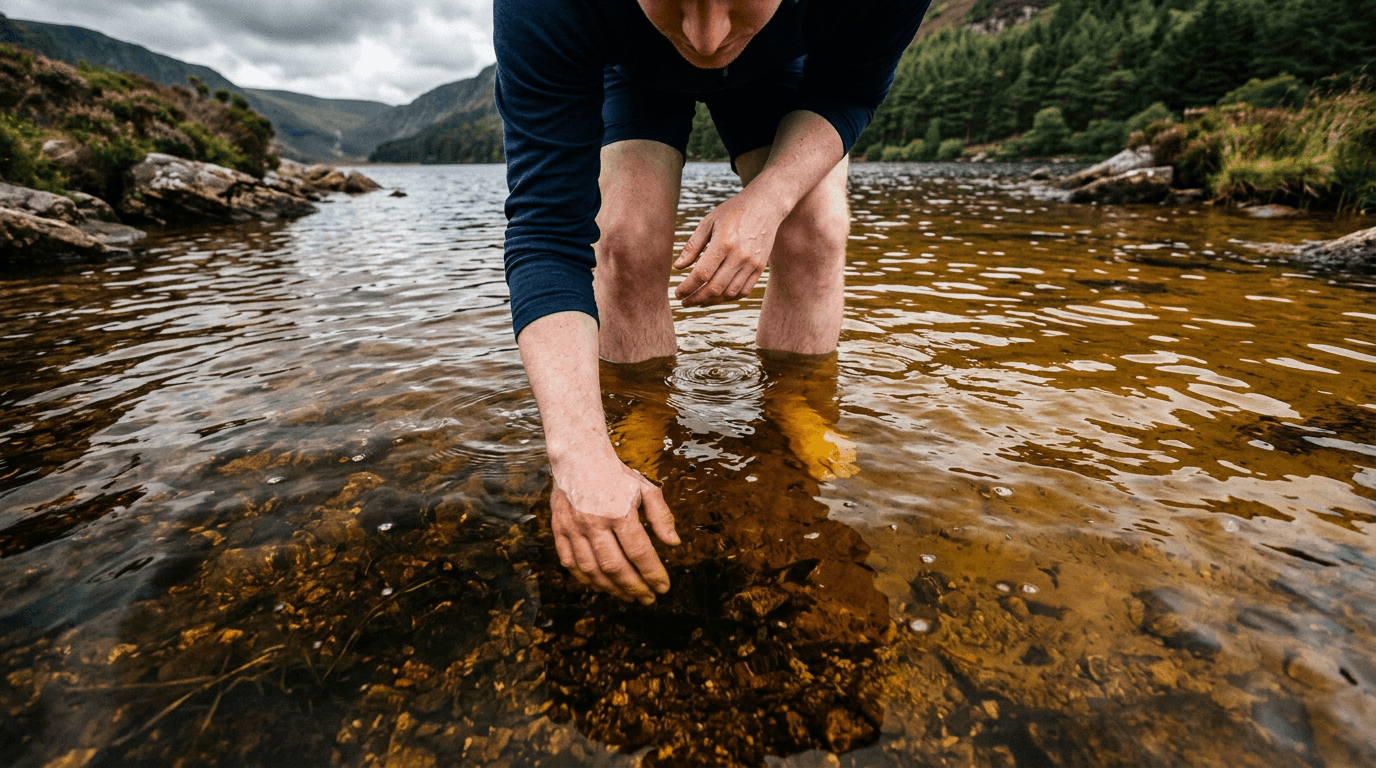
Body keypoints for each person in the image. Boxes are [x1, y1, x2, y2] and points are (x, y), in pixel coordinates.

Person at [494, 0, 928, 606]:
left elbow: (849, 88)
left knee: (815, 228)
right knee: (626, 240)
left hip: (780, 68)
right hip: (633, 68)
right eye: (675, 2)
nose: (705, 40)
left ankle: (794, 404)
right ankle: (639, 415)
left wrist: (769, 201)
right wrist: (576, 451)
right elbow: (546, 233)